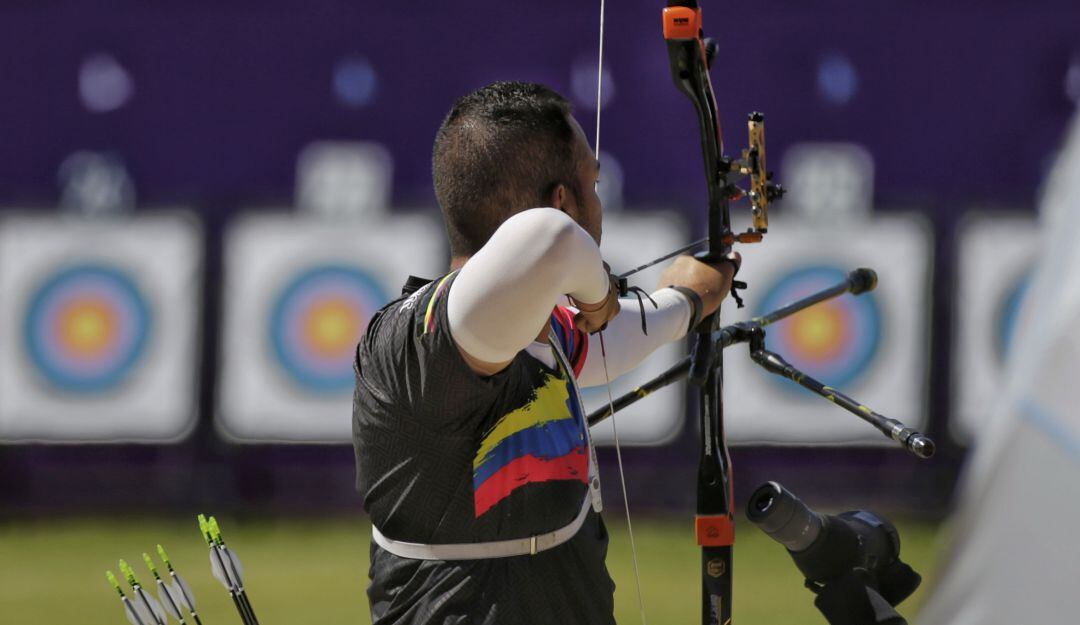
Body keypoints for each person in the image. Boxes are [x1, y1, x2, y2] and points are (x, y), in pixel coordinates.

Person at [352, 81, 738, 625]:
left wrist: (688, 300)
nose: (600, 207)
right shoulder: (419, 341)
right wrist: (600, 293)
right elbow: (550, 238)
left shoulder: (538, 330)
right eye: (594, 185)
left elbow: (610, 340)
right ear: (561, 200)